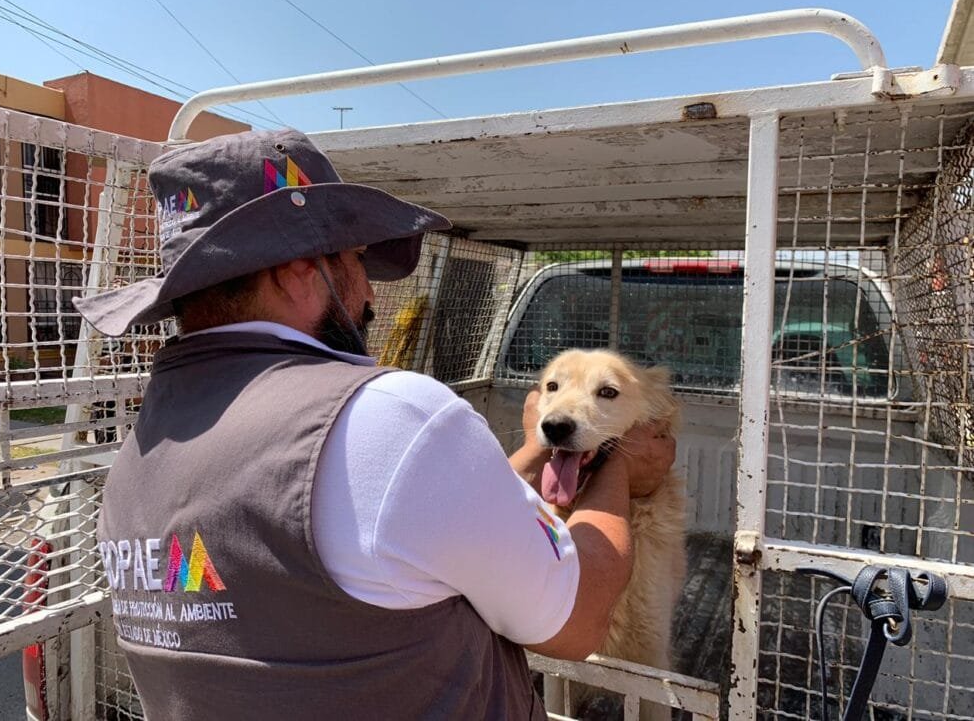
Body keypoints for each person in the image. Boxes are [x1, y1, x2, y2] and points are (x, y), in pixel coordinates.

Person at [75, 128, 676, 720]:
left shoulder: (137, 461)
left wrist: (531, 454)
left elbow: (399, 520)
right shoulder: (393, 417)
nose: (369, 296)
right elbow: (577, 619)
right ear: (299, 270)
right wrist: (619, 468)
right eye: (356, 263)